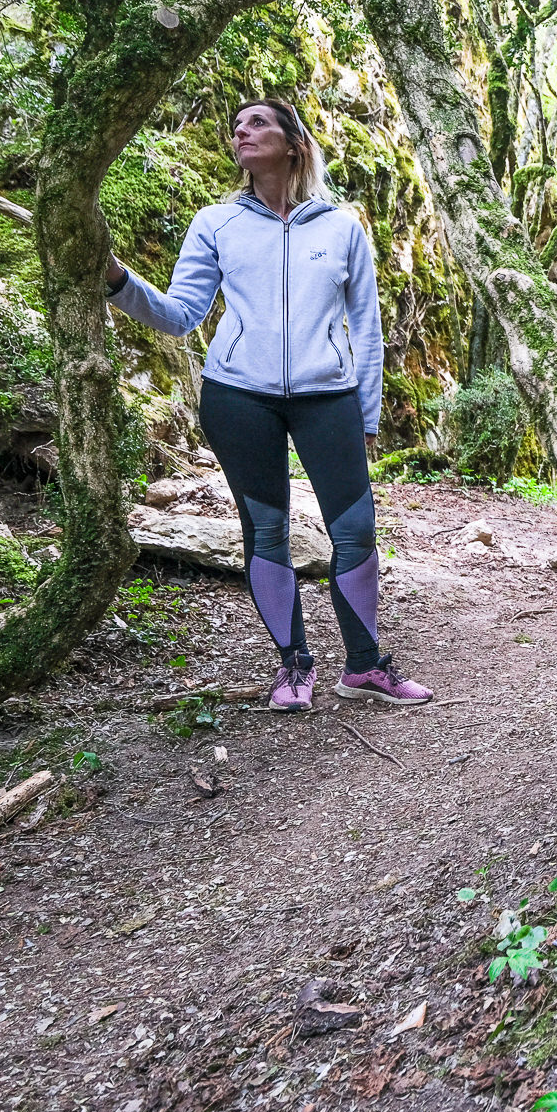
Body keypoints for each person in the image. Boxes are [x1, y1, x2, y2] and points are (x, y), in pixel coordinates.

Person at [103, 99, 433, 711]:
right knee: (266, 530)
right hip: (238, 396)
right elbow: (180, 315)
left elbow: (366, 328)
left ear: (294, 145)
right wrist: (116, 279)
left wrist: (367, 413)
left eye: (258, 123)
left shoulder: (341, 228)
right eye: (237, 126)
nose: (241, 131)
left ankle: (364, 666)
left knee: (355, 531)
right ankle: (293, 666)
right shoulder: (216, 223)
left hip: (327, 396)